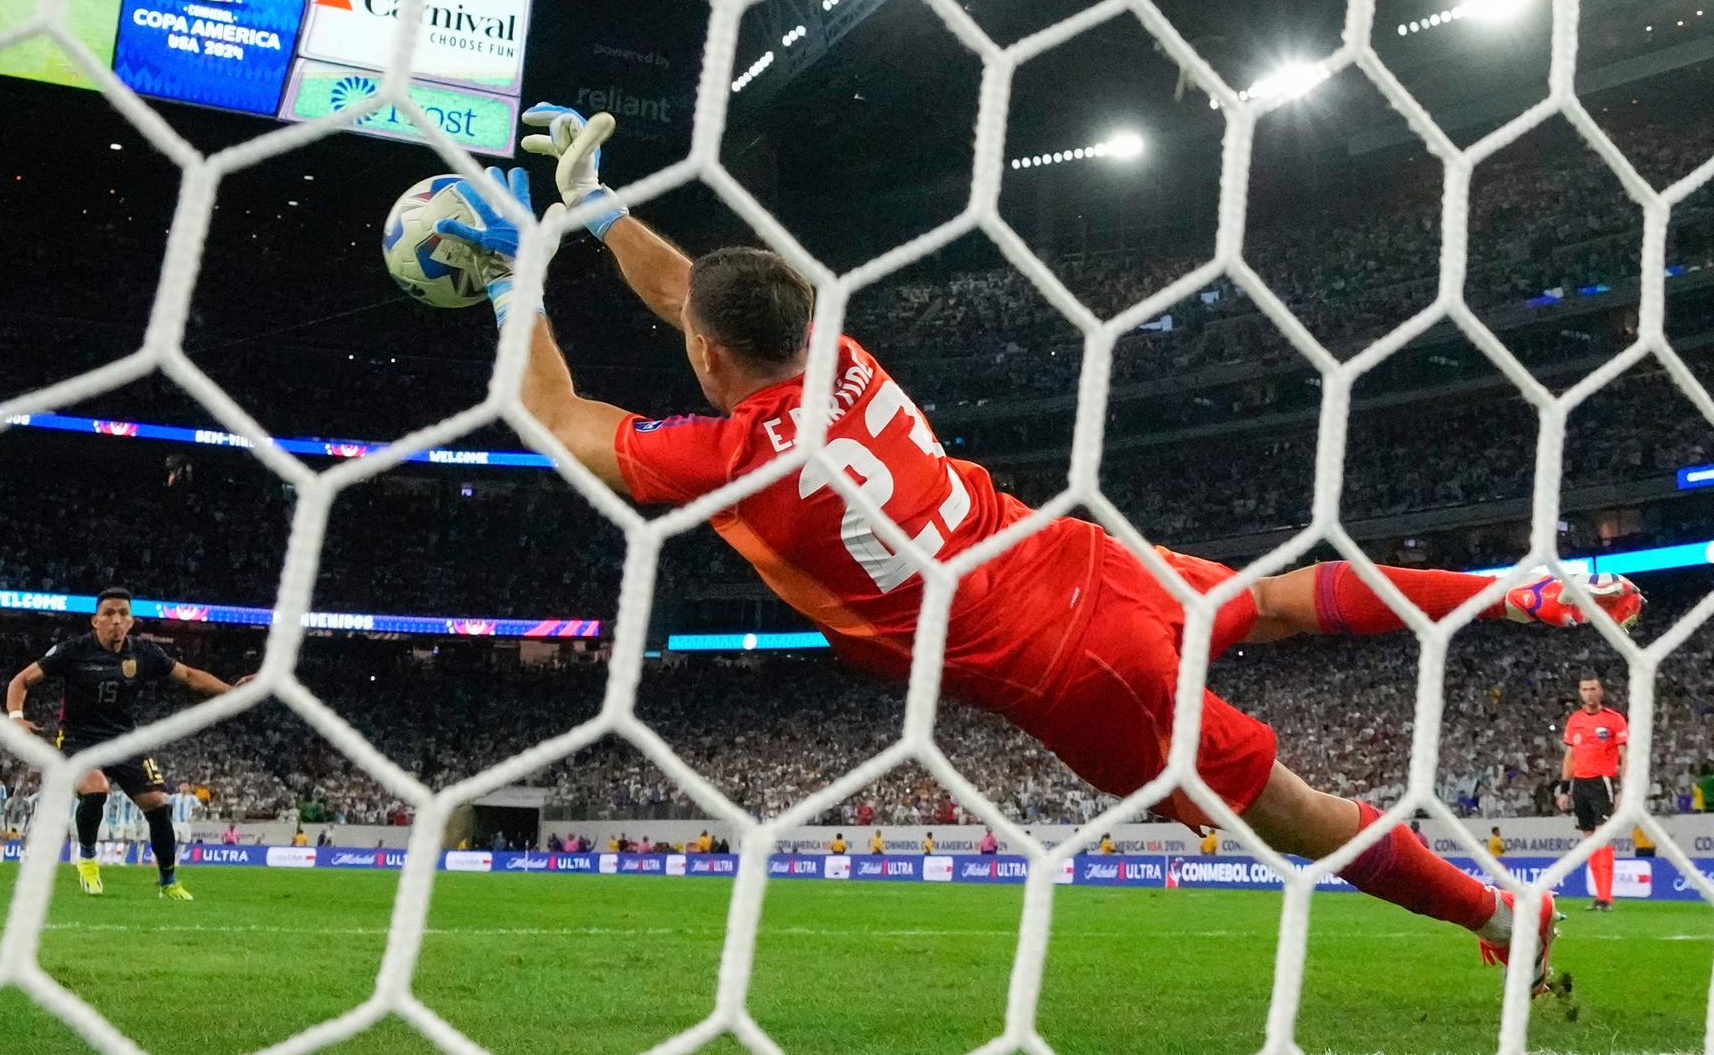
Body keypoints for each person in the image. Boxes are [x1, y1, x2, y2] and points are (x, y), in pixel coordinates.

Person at [440, 106, 1648, 995]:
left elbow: (559, 418)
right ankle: (1516, 588)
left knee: (1288, 811)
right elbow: (704, 301)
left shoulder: (732, 453)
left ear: (709, 363)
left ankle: (1501, 916)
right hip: (1073, 558)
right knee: (1279, 599)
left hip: (1069, 667)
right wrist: (602, 214)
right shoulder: (840, 355)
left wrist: (513, 279)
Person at [5, 587, 246, 900]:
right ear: (95, 621)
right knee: (96, 789)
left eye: (122, 614)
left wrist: (230, 690)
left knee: (158, 804)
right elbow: (20, 681)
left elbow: (188, 676)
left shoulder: (145, 653)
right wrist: (15, 716)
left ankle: (168, 882)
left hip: (124, 738)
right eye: (108, 614)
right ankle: (88, 857)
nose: (116, 620)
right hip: (79, 739)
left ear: (131, 621)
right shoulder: (73, 651)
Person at [1557, 676, 1627, 912]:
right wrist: (1565, 789)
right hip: (1581, 785)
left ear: (1600, 691)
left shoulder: (1614, 719)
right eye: (1584, 689)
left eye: (1593, 689)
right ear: (1580, 692)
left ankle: (1606, 897)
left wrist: (1623, 789)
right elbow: (1569, 757)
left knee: (1601, 838)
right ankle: (1599, 896)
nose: (1589, 693)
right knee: (1589, 842)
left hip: (1603, 782)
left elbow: (1624, 755)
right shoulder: (1574, 720)